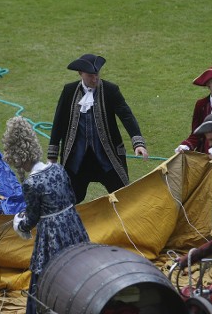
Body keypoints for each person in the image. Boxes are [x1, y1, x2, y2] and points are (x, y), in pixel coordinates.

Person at [2, 116, 90, 314]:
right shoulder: (58, 168)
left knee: (44, 279)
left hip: (52, 236)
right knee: (78, 270)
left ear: (18, 159)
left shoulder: (30, 184)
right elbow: (70, 197)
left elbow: (31, 219)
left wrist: (17, 222)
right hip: (73, 226)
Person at [48, 53, 149, 203]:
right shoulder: (69, 91)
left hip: (107, 158)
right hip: (77, 160)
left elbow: (126, 116)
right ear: (80, 74)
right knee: (67, 201)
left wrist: (138, 143)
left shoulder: (110, 90)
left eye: (97, 74)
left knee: (124, 198)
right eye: (90, 76)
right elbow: (59, 122)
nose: (95, 79)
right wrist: (52, 156)